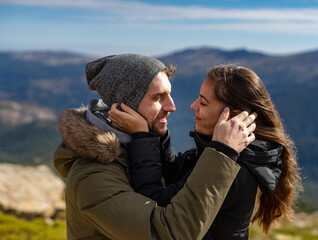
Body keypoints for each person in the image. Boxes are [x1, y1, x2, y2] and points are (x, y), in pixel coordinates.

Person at [53, 54, 257, 240]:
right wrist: (222, 153)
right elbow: (169, 233)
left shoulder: (132, 149)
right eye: (158, 98)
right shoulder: (93, 176)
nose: (172, 107)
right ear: (123, 106)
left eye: (169, 94)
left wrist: (147, 136)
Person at [109, 64, 302, 239]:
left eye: (203, 103)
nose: (193, 106)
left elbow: (153, 203)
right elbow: (173, 176)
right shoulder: (220, 150)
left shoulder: (233, 169)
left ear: (233, 116)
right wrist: (158, 131)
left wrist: (141, 136)